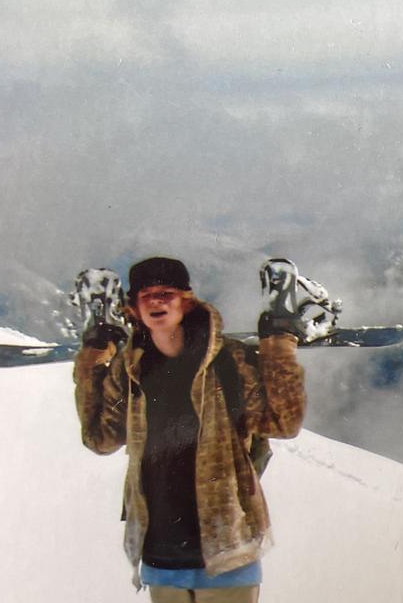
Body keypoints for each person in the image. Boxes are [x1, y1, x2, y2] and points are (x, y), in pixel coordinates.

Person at [74, 257, 306, 602]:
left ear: (187, 299)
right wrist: (95, 350)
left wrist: (279, 340)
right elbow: (101, 438)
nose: (156, 301)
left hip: (227, 553)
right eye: (146, 295)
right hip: (159, 556)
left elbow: (283, 422)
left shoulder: (228, 360)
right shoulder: (130, 370)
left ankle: (282, 309)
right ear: (133, 308)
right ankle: (101, 320)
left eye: (166, 293)